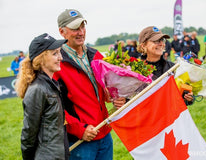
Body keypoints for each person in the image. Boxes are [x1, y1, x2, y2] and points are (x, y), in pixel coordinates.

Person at [54, 9, 126, 160]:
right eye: (75, 29)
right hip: (81, 139)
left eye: (82, 27)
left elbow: (105, 90)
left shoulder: (96, 55)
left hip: (104, 133)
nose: (80, 32)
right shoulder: (56, 63)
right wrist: (80, 130)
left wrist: (115, 98)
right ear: (62, 32)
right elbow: (54, 107)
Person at [15, 33, 69, 160]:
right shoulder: (37, 89)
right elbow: (29, 134)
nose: (60, 57)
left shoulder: (51, 84)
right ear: (41, 59)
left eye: (59, 52)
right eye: (55, 53)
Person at [137, 26, 194, 105]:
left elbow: (183, 96)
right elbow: (129, 101)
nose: (161, 44)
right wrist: (121, 102)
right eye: (156, 41)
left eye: (162, 40)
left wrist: (189, 98)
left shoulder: (173, 68)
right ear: (143, 45)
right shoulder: (135, 70)